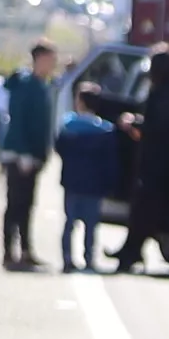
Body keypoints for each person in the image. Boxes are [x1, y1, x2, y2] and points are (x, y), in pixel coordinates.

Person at [85, 44, 169, 273]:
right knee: (141, 210)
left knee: (146, 210)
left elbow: (159, 127)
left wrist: (135, 123)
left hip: (161, 165)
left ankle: (130, 253)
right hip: (154, 163)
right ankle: (130, 251)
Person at [0, 39, 58, 270]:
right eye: (50, 59)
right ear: (39, 59)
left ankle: (26, 250)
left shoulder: (41, 85)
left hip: (33, 154)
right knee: (15, 203)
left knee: (27, 203)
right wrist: (23, 154)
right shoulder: (25, 84)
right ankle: (9, 253)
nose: (53, 64)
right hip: (19, 154)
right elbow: (18, 120)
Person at [54, 94, 125, 272]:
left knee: (70, 222)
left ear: (79, 103)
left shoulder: (68, 127)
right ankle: (89, 258)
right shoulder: (105, 131)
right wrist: (111, 183)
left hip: (72, 182)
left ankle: (67, 258)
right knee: (91, 225)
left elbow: (59, 148)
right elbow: (111, 162)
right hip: (95, 184)